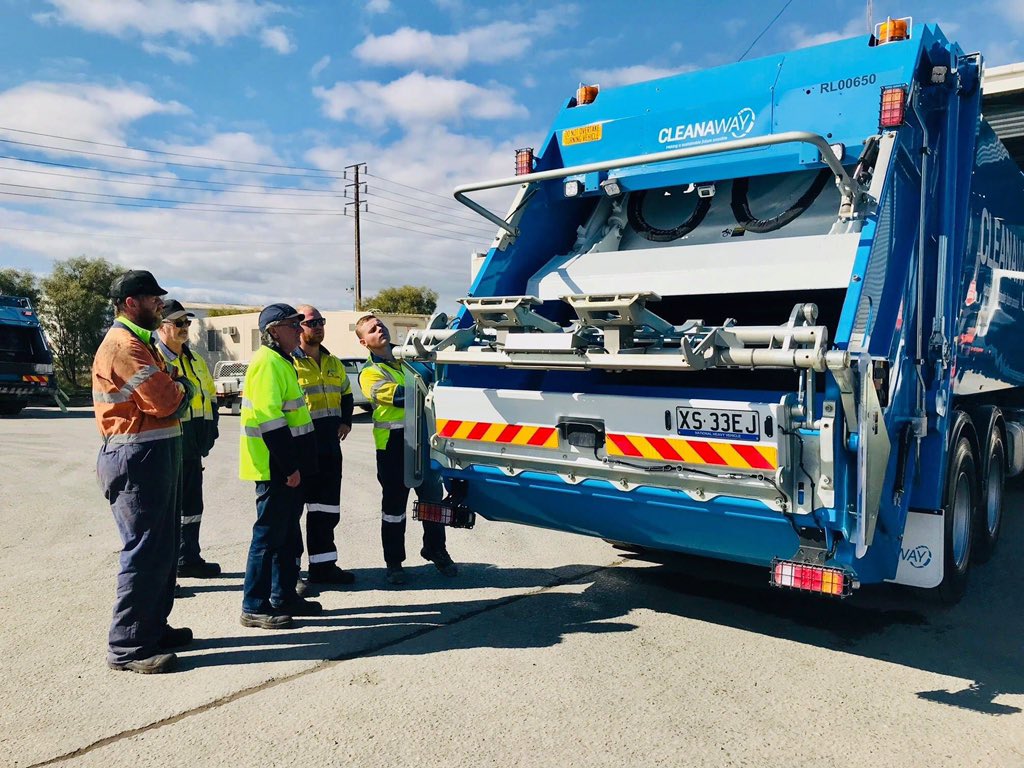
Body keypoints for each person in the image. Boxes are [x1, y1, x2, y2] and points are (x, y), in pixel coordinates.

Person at [92, 269, 194, 674]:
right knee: (145, 551)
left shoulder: (141, 342)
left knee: (163, 548)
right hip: (136, 457)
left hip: (153, 453)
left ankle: (152, 628)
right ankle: (129, 647)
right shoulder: (124, 346)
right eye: (153, 298)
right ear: (131, 302)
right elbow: (167, 400)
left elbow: (170, 390)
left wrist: (175, 387)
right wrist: (178, 389)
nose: (159, 304)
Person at [356, 313, 457, 585]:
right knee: (394, 508)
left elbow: (435, 376)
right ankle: (394, 563)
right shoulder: (369, 372)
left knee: (432, 500)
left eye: (380, 325)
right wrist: (428, 388)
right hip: (394, 448)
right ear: (364, 342)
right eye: (372, 329)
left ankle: (435, 549)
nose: (379, 329)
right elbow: (399, 397)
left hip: (423, 441)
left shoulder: (407, 360)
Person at [239, 303, 322, 629]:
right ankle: (254, 605)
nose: (298, 330)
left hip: (289, 468)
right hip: (274, 468)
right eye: (292, 325)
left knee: (287, 537)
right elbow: (270, 421)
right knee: (268, 537)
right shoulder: (267, 363)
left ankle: (283, 596)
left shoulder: (283, 362)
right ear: (274, 330)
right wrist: (289, 467)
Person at [155, 300, 221, 579]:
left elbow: (209, 397)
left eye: (187, 323)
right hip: (168, 442)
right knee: (166, 510)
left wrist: (211, 429)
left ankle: (188, 557)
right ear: (162, 326)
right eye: (178, 323)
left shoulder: (194, 359)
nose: (185, 328)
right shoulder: (156, 358)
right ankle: (165, 572)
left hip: (193, 443)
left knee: (192, 505)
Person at [292, 305, 356, 587]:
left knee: (326, 510)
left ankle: (323, 566)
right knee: (291, 514)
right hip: (301, 446)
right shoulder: (288, 362)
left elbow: (346, 394)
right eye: (311, 322)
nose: (317, 326)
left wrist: (346, 422)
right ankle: (290, 574)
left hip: (330, 447)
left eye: (321, 321)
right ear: (298, 327)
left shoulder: (333, 362)